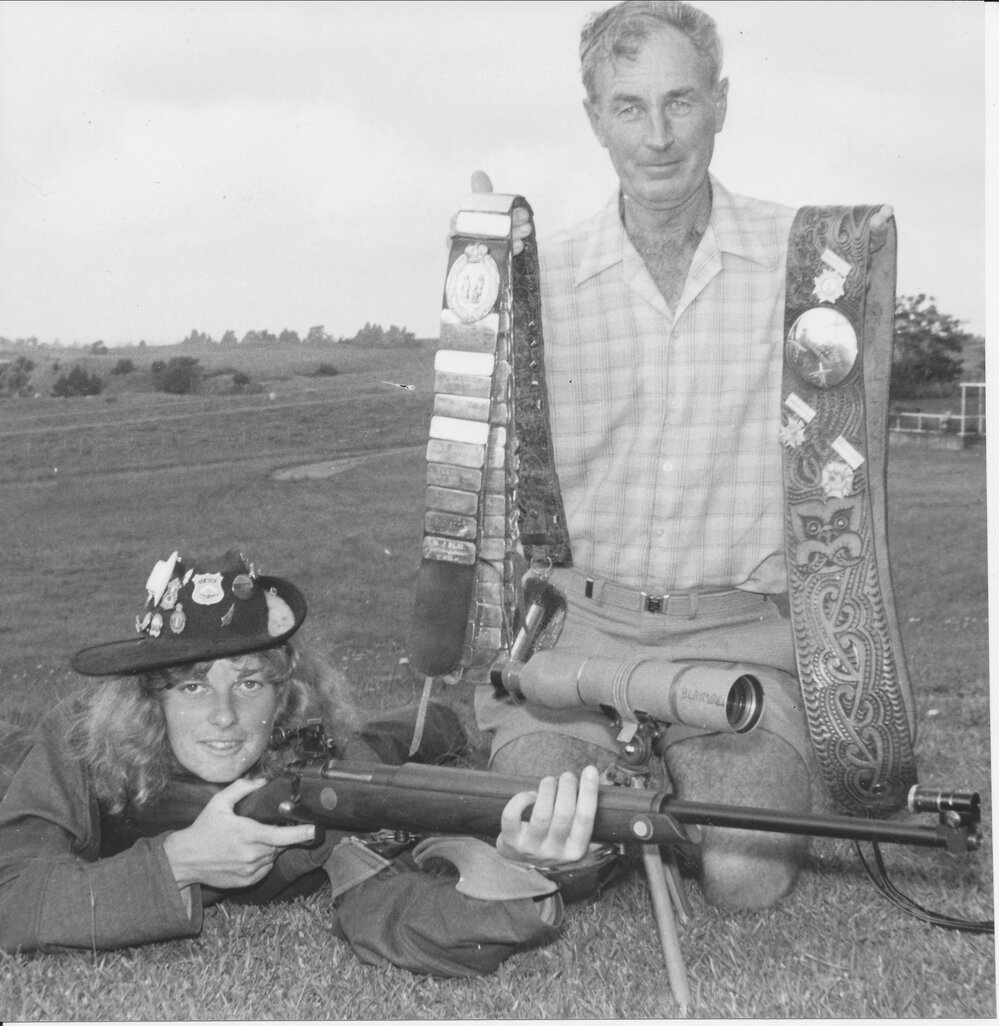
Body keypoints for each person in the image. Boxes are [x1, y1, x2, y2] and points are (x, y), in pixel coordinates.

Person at [473, 0, 893, 911]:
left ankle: (711, 778)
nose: (657, 137)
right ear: (594, 117)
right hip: (578, 640)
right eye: (628, 107)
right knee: (554, 856)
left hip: (735, 637)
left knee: (744, 880)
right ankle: (622, 780)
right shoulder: (536, 276)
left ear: (720, 101)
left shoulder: (809, 264)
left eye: (679, 102)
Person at [0, 548, 599, 975]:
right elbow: (13, 897)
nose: (226, 716)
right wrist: (176, 862)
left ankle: (437, 720)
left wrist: (516, 872)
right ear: (146, 696)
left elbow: (393, 912)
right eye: (192, 688)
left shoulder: (321, 776)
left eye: (252, 683)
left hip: (354, 748)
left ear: (286, 696)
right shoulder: (83, 738)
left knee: (398, 738)